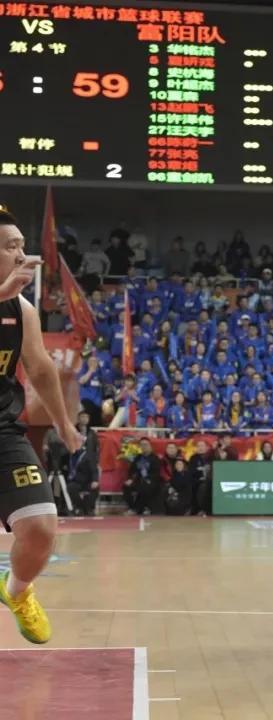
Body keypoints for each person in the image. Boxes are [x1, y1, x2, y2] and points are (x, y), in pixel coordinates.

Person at [0, 209, 84, 644]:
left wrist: (64, 423)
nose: (21, 254)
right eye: (9, 246)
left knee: (41, 526)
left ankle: (17, 592)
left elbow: (40, 368)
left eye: (21, 245)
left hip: (2, 432)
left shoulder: (23, 310)